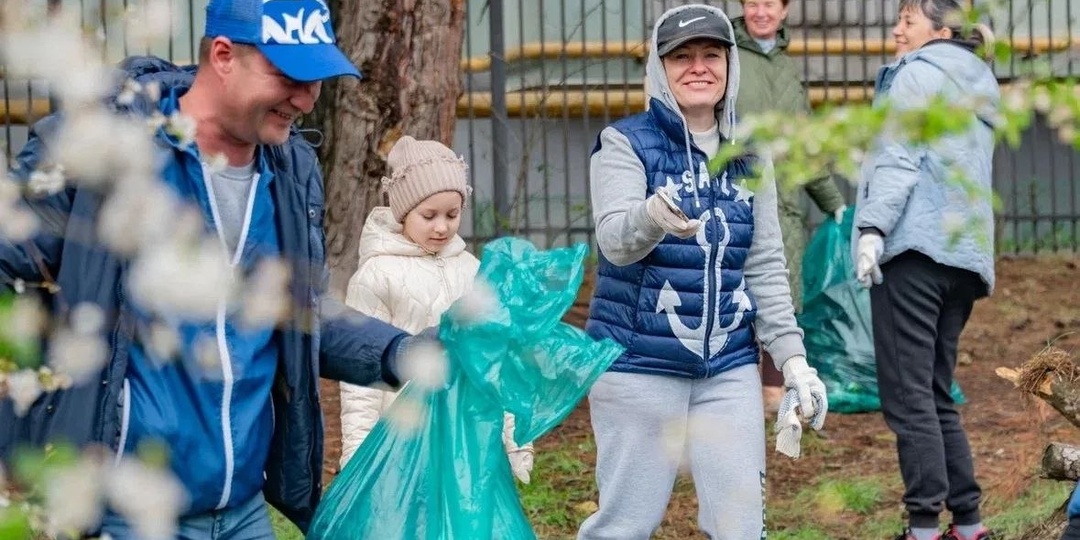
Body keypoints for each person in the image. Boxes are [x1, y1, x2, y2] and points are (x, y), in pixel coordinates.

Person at [0, 0, 430, 537]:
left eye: (317, 78)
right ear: (224, 55)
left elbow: (298, 311)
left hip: (243, 512)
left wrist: (397, 352)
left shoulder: (292, 169)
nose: (305, 98)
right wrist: (32, 424)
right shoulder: (99, 147)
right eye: (290, 75)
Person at [579, 4, 828, 539]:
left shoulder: (750, 159)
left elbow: (764, 265)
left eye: (711, 54)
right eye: (681, 56)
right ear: (659, 68)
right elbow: (615, 244)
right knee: (626, 524)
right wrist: (651, 217)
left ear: (730, 64)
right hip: (637, 363)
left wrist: (794, 359)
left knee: (742, 525)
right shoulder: (625, 144)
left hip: (729, 368)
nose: (698, 67)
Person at [852, 1, 999, 539]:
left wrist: (872, 228)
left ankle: (922, 527)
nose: (896, 29)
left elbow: (898, 157)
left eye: (907, 20)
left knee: (909, 396)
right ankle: (968, 523)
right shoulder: (976, 84)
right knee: (936, 393)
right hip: (962, 258)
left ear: (939, 32)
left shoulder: (917, 75)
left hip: (913, 252)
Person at [338, 135, 534, 483]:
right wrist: (358, 454)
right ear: (402, 212)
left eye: (452, 214)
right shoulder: (376, 276)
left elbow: (497, 358)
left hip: (470, 435)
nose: (442, 226)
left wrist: (516, 437)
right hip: (405, 438)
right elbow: (361, 374)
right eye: (428, 215)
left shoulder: (472, 270)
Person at [733, 0, 849, 413]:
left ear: (784, 12)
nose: (760, 12)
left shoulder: (786, 68)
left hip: (784, 201)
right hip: (738, 191)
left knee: (781, 291)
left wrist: (834, 203)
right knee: (737, 290)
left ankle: (772, 392)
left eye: (769, 4)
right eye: (752, 4)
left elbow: (804, 145)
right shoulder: (726, 54)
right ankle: (737, 390)